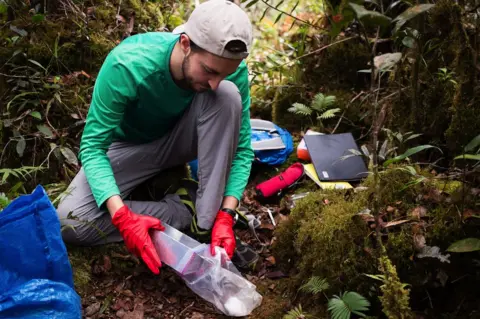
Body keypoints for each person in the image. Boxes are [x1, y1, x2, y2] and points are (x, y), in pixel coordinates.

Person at [56, 0, 258, 275]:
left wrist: (227, 214)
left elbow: (243, 150)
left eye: (226, 73)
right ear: (185, 43)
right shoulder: (129, 64)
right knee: (70, 222)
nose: (214, 82)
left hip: (183, 139)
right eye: (209, 71)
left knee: (227, 96)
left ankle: (206, 225)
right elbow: (93, 147)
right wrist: (123, 218)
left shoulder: (227, 74)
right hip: (128, 148)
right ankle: (183, 210)